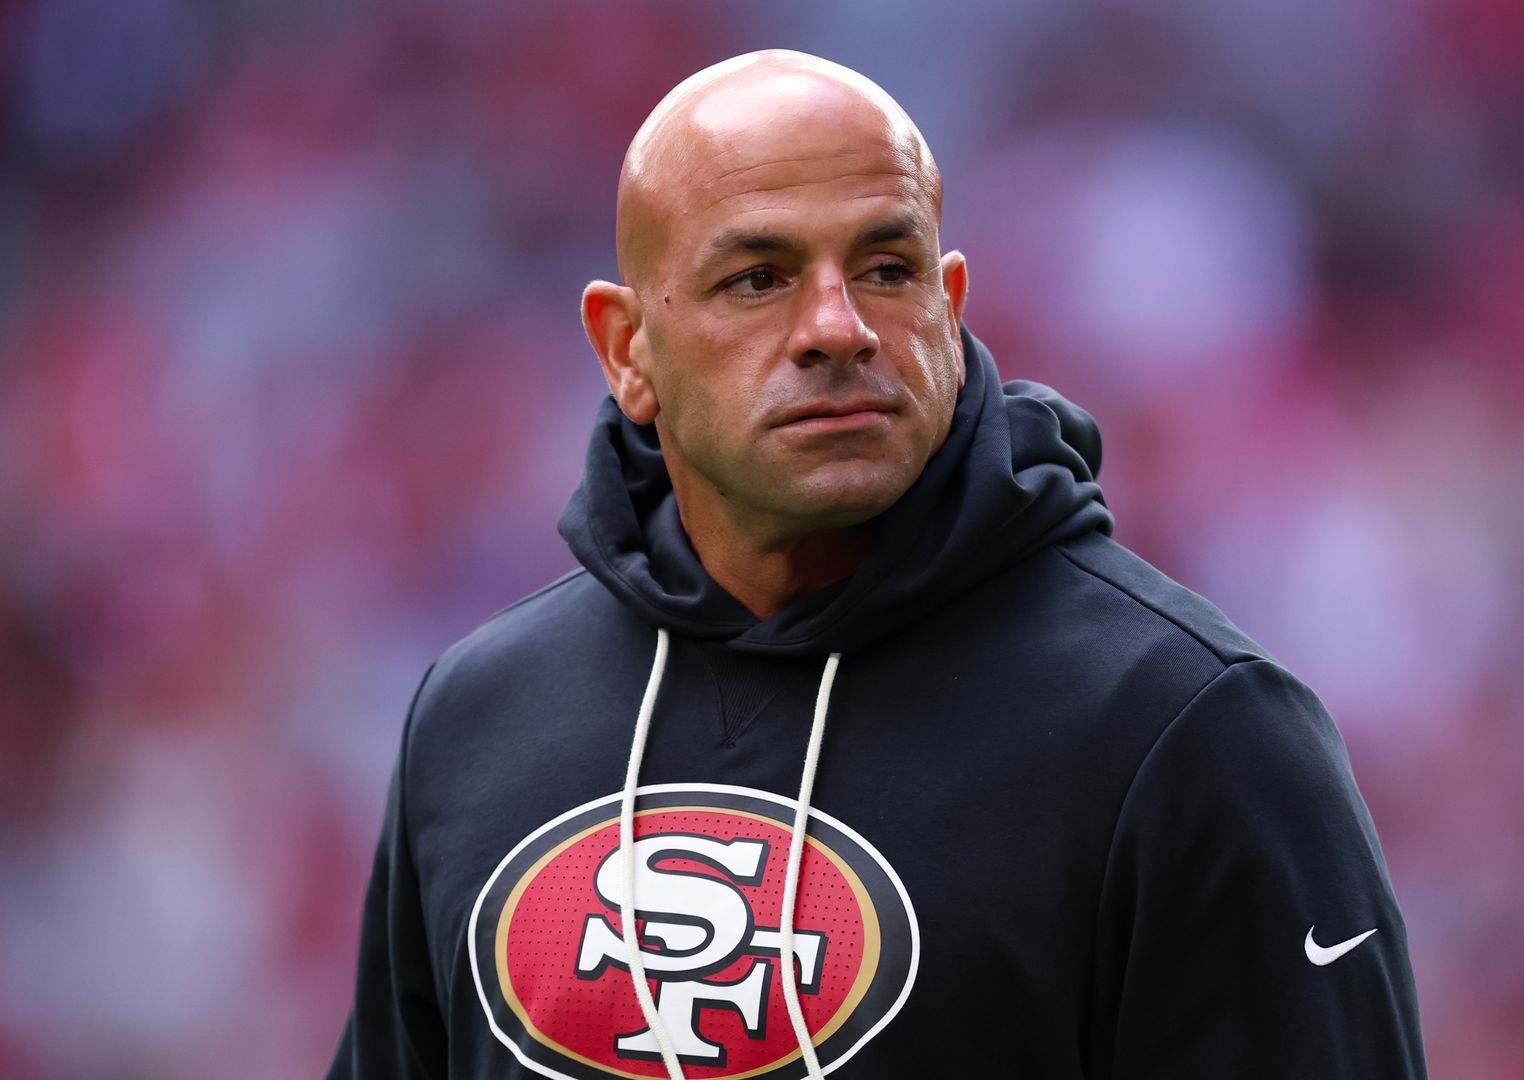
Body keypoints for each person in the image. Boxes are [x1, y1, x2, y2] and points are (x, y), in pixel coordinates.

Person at [329, 50, 1426, 1080]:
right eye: (756, 278)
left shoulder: (1193, 731)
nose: (836, 327)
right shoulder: (477, 717)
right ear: (629, 351)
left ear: (949, 310)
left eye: (886, 268)